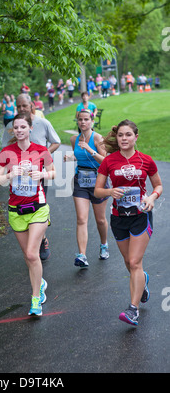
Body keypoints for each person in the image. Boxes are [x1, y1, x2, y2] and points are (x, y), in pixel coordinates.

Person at [94, 119, 163, 326]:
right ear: (117, 137)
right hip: (118, 218)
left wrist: (151, 198)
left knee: (134, 262)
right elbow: (97, 190)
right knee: (129, 263)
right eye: (121, 135)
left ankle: (133, 310)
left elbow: (158, 185)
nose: (124, 138)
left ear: (136, 137)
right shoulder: (109, 161)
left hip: (141, 216)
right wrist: (109, 191)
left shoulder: (146, 160)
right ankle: (142, 281)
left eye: (128, 135)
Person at [0, 113, 56, 316]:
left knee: (32, 253)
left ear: (30, 128)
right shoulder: (6, 153)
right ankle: (41, 281)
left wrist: (43, 174)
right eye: (16, 127)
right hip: (16, 210)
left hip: (38, 208)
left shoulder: (41, 150)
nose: (19, 130)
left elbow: (53, 172)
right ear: (13, 130)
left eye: (23, 127)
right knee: (28, 258)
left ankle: (36, 299)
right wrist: (10, 175)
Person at [2, 94, 61, 261]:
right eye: (19, 106)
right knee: (22, 203)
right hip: (18, 175)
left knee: (37, 206)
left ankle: (40, 240)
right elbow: (4, 147)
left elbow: (56, 141)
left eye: (24, 106)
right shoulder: (10, 126)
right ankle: (35, 241)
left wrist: (42, 157)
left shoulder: (42, 123)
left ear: (32, 106)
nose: (21, 109)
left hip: (38, 174)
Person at [64, 109, 109, 268]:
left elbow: (105, 162)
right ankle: (82, 255)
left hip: (98, 181)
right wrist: (71, 157)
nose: (82, 122)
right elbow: (79, 155)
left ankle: (104, 244)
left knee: (100, 219)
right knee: (81, 219)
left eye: (86, 119)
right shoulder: (74, 139)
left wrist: (90, 149)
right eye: (80, 119)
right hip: (81, 181)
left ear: (92, 121)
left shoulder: (98, 138)